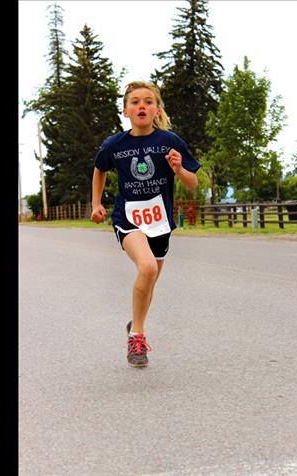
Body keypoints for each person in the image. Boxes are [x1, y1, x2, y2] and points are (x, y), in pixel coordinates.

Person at [90, 81, 200, 367]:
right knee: (148, 268)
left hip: (160, 222)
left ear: (156, 110)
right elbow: (99, 169)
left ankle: (134, 323)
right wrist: (96, 204)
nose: (142, 105)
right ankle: (137, 338)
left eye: (148, 101)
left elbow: (192, 184)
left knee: (149, 280)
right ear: (126, 111)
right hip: (128, 218)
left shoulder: (170, 141)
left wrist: (179, 169)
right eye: (135, 101)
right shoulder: (114, 144)